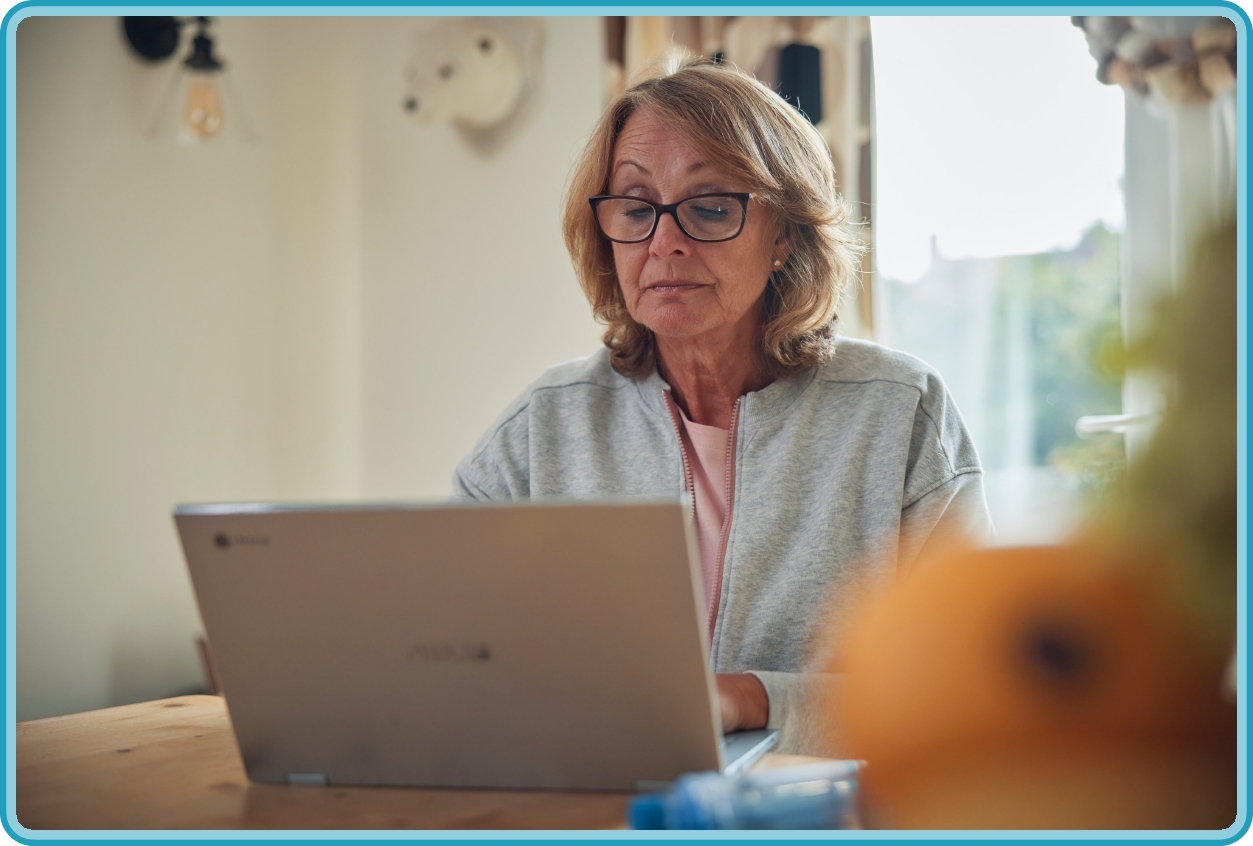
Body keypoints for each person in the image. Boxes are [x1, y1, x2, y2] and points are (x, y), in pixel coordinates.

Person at [452, 57, 993, 755]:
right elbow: (459, 669)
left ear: (785, 235)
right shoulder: (540, 432)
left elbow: (964, 688)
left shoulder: (899, 413)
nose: (663, 241)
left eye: (710, 206)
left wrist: (749, 699)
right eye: (635, 207)